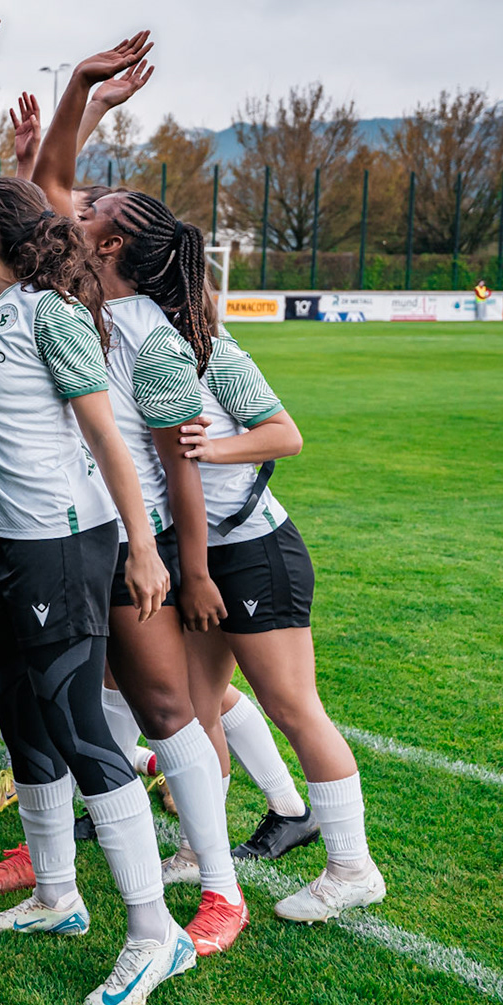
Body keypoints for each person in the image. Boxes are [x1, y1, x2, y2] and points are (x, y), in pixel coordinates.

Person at [27, 35, 250, 958]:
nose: (74, 209)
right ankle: (58, 871)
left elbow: (180, 466)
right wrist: (83, 92)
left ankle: (222, 887)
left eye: (91, 211)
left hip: (137, 544)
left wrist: (189, 571)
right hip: (85, 534)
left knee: (167, 709)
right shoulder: (84, 302)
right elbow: (47, 181)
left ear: (110, 243)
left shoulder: (152, 339)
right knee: (94, 702)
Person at [0, 174, 201, 1005]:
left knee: (79, 726)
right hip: (3, 546)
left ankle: (155, 934)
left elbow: (106, 435)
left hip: (62, 542)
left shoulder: (50, 313)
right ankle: (57, 895)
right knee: (24, 720)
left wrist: (145, 548)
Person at [175, 334, 386, 918]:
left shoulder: (212, 349)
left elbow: (285, 435)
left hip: (254, 551)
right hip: (198, 556)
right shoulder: (134, 343)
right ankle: (196, 849)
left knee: (292, 706)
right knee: (197, 707)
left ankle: (353, 868)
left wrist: (213, 449)